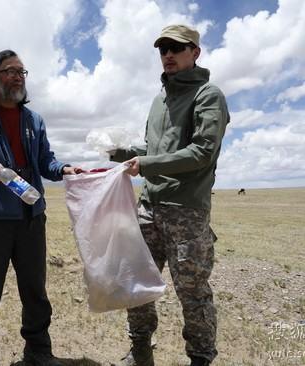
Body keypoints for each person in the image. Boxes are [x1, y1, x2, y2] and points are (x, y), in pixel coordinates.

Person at [0, 49, 82, 366]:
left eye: (22, 71)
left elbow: (45, 161)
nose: (18, 76)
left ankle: (38, 351)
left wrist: (64, 169)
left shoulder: (34, 120)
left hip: (31, 218)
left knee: (35, 290)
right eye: (11, 70)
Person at [110, 25, 229, 366]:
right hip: (148, 207)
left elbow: (202, 152)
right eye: (163, 49)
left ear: (195, 52)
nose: (168, 55)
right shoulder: (158, 101)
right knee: (137, 284)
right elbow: (152, 148)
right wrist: (118, 152)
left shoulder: (209, 95)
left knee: (192, 292)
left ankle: (201, 358)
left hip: (186, 212)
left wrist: (145, 163)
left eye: (176, 48)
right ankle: (140, 350)